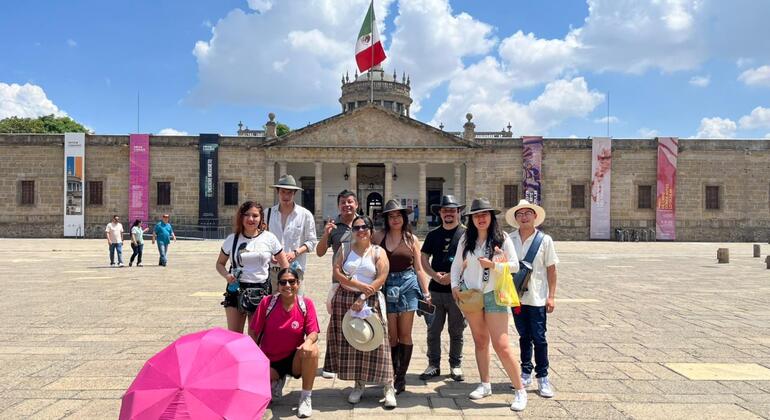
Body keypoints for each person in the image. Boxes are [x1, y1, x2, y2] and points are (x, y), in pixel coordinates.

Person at [450, 198, 528, 411]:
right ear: (472, 219)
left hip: (494, 294)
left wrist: (493, 265)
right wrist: (455, 286)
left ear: (491, 217)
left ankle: (519, 390)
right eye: (476, 215)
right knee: (480, 341)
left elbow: (514, 266)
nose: (480, 218)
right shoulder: (466, 239)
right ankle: (485, 384)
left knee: (501, 345)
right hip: (473, 294)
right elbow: (456, 265)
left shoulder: (501, 238)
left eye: (484, 214)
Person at [326, 215, 396, 408]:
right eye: (356, 228)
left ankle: (388, 385)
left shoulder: (377, 251)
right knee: (355, 342)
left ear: (371, 230)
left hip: (369, 301)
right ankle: (359, 384)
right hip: (345, 299)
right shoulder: (346, 249)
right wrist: (356, 284)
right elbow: (337, 271)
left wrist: (363, 296)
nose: (360, 230)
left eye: (364, 227)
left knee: (380, 343)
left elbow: (381, 277)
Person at [372, 199, 430, 395]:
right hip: (386, 285)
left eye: (398, 215)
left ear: (404, 218)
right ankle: (391, 372)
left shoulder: (411, 239)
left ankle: (401, 376)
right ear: (386, 219)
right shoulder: (377, 237)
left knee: (405, 333)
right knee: (391, 335)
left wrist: (426, 292)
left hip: (408, 284)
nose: (395, 219)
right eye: (391, 216)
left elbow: (419, 268)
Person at [505, 199, 559, 398]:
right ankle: (525, 372)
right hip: (516, 298)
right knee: (523, 336)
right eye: (520, 214)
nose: (524, 217)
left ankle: (543, 376)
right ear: (516, 218)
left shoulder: (545, 240)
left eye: (528, 213)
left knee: (539, 337)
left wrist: (551, 296)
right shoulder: (509, 239)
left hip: (537, 297)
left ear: (535, 216)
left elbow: (552, 270)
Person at [250, 268, 319, 418]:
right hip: (270, 360)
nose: (287, 285)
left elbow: (313, 332)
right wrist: (254, 359)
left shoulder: (305, 304)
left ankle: (306, 397)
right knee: (261, 400)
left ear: (298, 283)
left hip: (293, 359)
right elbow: (254, 332)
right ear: (278, 285)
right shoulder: (267, 303)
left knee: (313, 350)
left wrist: (308, 341)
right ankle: (276, 380)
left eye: (292, 281)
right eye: (283, 282)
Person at [215, 201, 289, 340]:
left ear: (261, 218)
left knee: (256, 336)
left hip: (260, 290)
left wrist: (282, 286)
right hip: (236, 289)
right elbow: (220, 263)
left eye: (255, 215)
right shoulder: (232, 239)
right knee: (234, 336)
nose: (250, 219)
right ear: (241, 217)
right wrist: (227, 275)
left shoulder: (269, 238)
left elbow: (284, 265)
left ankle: (255, 362)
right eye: (247, 215)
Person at [419, 195, 467, 382]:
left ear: (458, 212)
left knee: (456, 330)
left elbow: (469, 259)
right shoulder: (433, 234)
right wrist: (434, 275)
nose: (449, 213)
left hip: (458, 291)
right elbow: (423, 258)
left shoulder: (466, 234)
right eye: (445, 210)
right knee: (433, 330)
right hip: (436, 291)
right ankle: (433, 365)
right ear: (440, 212)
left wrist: (453, 276)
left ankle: (456, 365)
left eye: (452, 210)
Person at [316, 189, 359, 378]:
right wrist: (326, 234)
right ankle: (331, 364)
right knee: (335, 323)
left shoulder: (363, 224)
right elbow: (319, 252)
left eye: (350, 202)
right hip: (338, 281)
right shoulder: (334, 226)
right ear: (339, 205)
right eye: (343, 202)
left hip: (360, 282)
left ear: (356, 204)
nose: (347, 205)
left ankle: (355, 362)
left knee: (359, 322)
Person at [266, 174, 318, 291]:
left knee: (296, 307)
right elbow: (261, 240)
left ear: (294, 193)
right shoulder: (267, 214)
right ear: (277, 192)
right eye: (283, 192)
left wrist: (296, 253)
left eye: (289, 192)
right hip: (273, 271)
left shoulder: (305, 215)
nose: (286, 196)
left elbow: (312, 241)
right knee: (273, 307)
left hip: (295, 270)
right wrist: (270, 255)